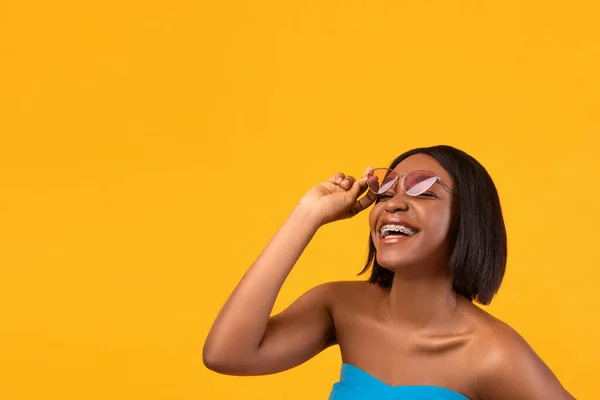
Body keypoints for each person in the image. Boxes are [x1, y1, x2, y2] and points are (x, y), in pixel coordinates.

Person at [202, 145, 574, 399]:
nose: (394, 204)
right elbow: (226, 355)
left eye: (424, 192)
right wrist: (309, 215)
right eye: (386, 193)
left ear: (468, 220)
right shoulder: (340, 306)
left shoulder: (494, 353)